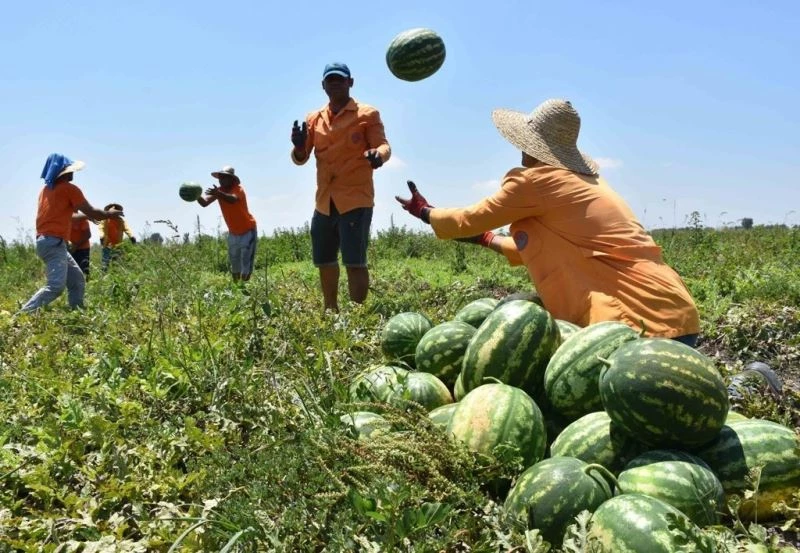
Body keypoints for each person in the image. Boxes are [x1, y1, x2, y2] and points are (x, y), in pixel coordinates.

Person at [396, 99, 700, 345]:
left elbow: (469, 219)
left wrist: (426, 212)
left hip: (636, 325)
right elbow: (537, 245)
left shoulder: (537, 182)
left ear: (531, 145)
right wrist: (486, 239)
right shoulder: (584, 183)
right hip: (675, 315)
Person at [290, 62, 391, 311]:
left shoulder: (367, 114)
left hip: (355, 198)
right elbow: (300, 158)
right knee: (324, 260)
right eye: (330, 80)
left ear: (350, 82)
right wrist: (299, 146)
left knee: (354, 262)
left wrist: (378, 155)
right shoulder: (314, 119)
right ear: (323, 85)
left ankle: (357, 315)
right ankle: (331, 310)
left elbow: (384, 146)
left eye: (340, 79)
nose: (335, 84)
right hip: (324, 201)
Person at [20, 153, 124, 313]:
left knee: (77, 279)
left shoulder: (46, 190)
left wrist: (89, 216)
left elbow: (71, 216)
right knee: (55, 286)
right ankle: (23, 314)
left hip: (47, 242)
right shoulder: (70, 189)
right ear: (64, 172)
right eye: (70, 170)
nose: (73, 173)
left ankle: (76, 312)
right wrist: (109, 214)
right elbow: (91, 210)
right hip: (54, 242)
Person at [196, 165, 257, 281]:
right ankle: (237, 290)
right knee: (234, 264)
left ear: (232, 179)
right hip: (233, 233)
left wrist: (218, 194)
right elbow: (204, 203)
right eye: (220, 178)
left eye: (225, 177)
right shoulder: (219, 191)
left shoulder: (238, 189)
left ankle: (245, 291)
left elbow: (233, 199)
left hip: (248, 230)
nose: (221, 180)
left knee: (246, 263)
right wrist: (195, 195)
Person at [98, 203, 136, 271]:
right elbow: (101, 228)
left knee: (116, 264)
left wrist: (131, 236)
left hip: (117, 246)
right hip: (107, 246)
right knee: (105, 264)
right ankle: (103, 277)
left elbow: (127, 229)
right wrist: (102, 236)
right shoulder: (105, 220)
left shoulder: (121, 221)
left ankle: (115, 278)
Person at [68, 211, 93, 280]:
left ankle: (87, 287)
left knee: (84, 270)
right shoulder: (66, 218)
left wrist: (76, 246)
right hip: (71, 249)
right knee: (73, 271)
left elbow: (88, 234)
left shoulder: (82, 219)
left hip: (83, 249)